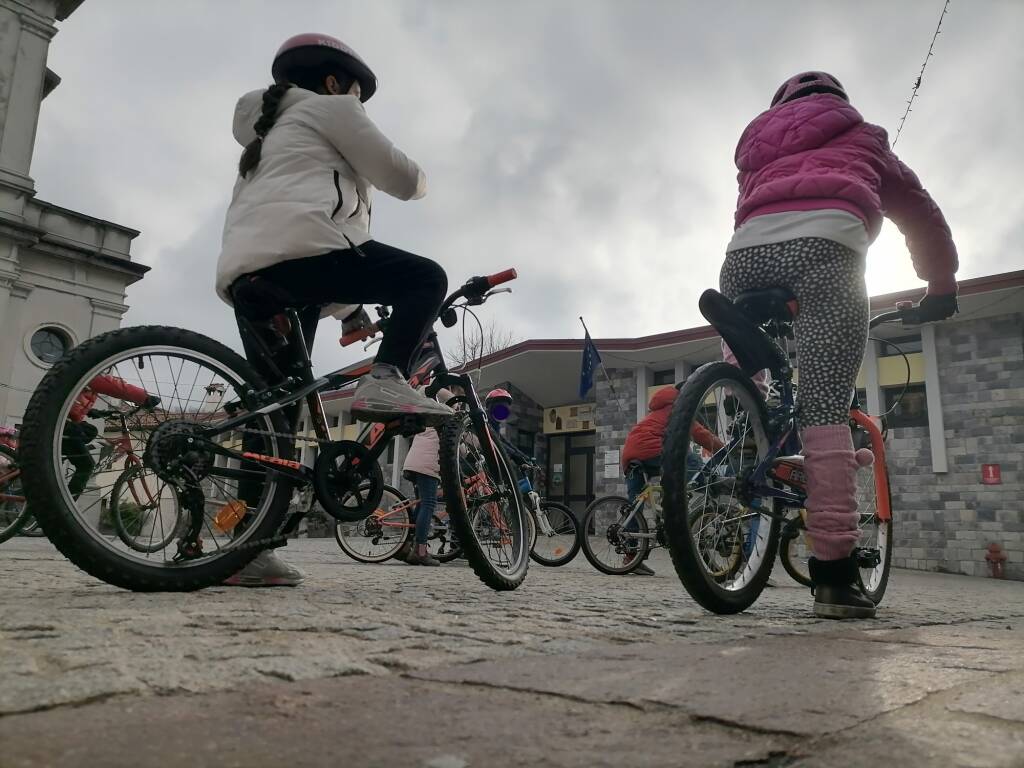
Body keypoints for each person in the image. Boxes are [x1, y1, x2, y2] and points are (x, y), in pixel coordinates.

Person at [218, 33, 452, 587]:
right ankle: (386, 379)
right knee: (426, 278)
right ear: (333, 81)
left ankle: (247, 552)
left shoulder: (269, 133)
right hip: (306, 252)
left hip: (252, 275)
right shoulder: (330, 108)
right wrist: (424, 176)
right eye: (356, 94)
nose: (358, 105)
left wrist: (348, 312)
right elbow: (403, 179)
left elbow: (294, 215)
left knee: (274, 411)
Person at [723, 72, 958, 618]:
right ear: (838, 101)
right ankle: (833, 574)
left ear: (781, 104)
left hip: (744, 257)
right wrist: (940, 284)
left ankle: (746, 433)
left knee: (747, 379)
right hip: (827, 250)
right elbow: (918, 210)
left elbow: (753, 201)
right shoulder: (868, 135)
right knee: (825, 411)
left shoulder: (755, 137)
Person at [401, 389, 456, 566]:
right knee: (428, 503)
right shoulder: (446, 415)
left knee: (420, 503)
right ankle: (420, 551)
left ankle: (407, 546)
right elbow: (459, 443)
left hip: (413, 463)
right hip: (427, 465)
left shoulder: (429, 414)